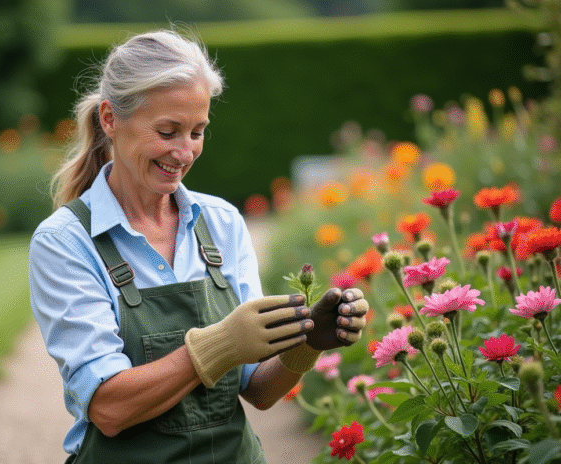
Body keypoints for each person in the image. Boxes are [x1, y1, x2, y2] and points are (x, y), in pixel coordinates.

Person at [29, 29, 368, 464]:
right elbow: (109, 408)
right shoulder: (65, 242)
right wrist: (220, 344)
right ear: (110, 119)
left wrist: (308, 343)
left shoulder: (221, 222)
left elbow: (256, 389)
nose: (184, 152)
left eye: (197, 131)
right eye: (168, 131)